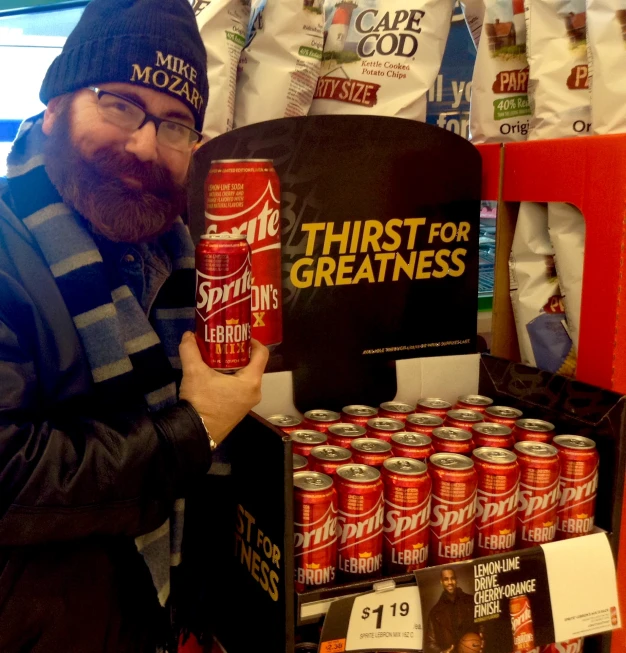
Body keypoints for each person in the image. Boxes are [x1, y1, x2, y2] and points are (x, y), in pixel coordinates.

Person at [0, 0, 268, 650]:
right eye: (119, 103)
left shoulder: (183, 260)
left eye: (177, 124)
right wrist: (192, 428)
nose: (145, 144)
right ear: (57, 101)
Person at [425, 567, 480, 653]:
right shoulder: (434, 612)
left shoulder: (471, 601)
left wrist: (481, 641)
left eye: (452, 578)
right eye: (446, 579)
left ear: (456, 580)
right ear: (441, 582)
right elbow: (430, 643)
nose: (450, 582)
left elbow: (483, 626)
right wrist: (443, 652)